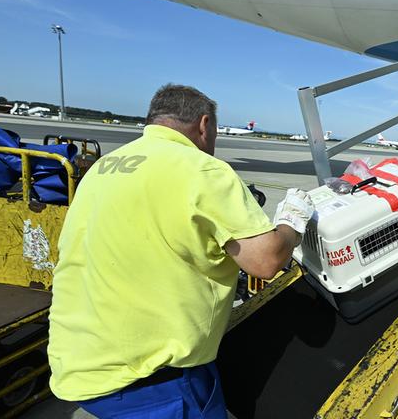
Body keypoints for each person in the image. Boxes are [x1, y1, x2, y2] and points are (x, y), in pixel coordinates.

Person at [47, 84, 314, 418]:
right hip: (150, 378)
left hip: (78, 361)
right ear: (204, 125)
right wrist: (292, 220)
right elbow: (265, 261)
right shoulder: (202, 169)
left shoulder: (104, 167)